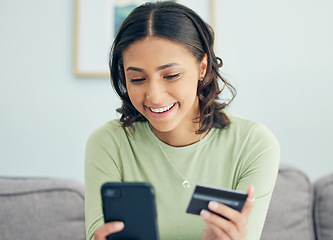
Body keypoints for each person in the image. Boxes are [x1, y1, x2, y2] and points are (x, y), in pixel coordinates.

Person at [85, 1, 280, 240]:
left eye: (171, 75)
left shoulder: (253, 144)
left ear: (202, 67)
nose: (154, 96)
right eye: (137, 79)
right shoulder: (108, 143)